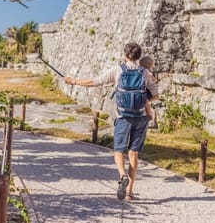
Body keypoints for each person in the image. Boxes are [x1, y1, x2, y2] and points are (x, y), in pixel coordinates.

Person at [64, 43, 158, 202]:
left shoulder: (118, 70)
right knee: (133, 153)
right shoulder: (145, 73)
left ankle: (122, 176)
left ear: (125, 55)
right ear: (139, 56)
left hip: (123, 116)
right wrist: (142, 100)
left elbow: (95, 81)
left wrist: (73, 81)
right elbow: (155, 95)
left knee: (119, 150)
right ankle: (129, 193)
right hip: (141, 117)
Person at [139, 56, 158, 122]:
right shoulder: (147, 72)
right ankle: (149, 113)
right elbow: (154, 81)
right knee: (146, 99)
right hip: (144, 91)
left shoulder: (138, 70)